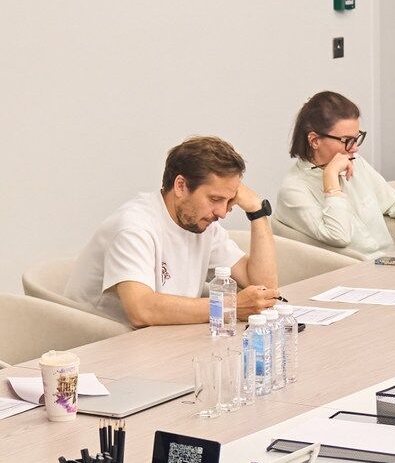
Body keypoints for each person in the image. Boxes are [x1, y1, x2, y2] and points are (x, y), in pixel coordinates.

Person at [66, 136, 281, 328]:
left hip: (157, 340)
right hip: (99, 343)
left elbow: (264, 288)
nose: (222, 212)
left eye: (229, 200)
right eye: (215, 199)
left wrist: (257, 211)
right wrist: (228, 306)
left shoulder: (203, 223)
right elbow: (141, 310)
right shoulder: (133, 227)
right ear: (180, 186)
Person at [272, 91, 395, 260]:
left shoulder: (356, 162)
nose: (355, 148)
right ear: (314, 140)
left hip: (393, 261)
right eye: (347, 140)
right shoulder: (293, 190)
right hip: (355, 271)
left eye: (356, 138)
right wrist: (331, 179)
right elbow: (339, 236)